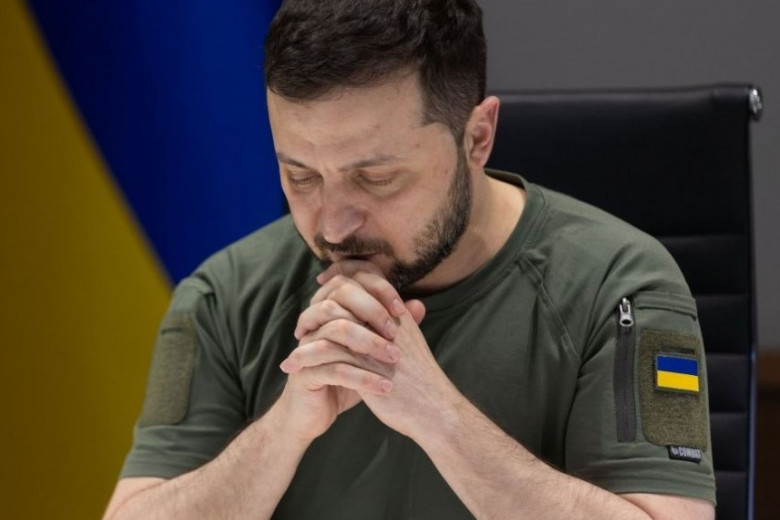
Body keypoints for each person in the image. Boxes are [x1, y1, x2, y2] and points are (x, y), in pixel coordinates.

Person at [103, 0, 716, 518]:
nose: (333, 226)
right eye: (301, 176)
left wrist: (438, 416)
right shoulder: (224, 294)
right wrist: (284, 428)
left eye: (376, 178)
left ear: (477, 137)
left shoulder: (622, 285)